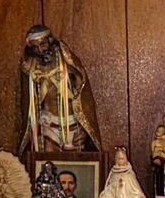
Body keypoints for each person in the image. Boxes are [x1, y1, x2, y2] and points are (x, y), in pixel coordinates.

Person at [16, 24, 103, 157]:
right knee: (47, 156)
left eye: (43, 44)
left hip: (70, 121)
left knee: (73, 159)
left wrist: (84, 128)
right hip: (48, 123)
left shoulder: (66, 61)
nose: (40, 49)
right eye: (35, 46)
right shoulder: (30, 68)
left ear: (50, 41)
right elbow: (28, 103)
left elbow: (83, 91)